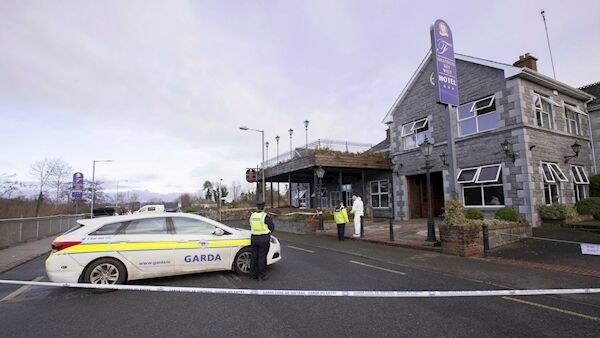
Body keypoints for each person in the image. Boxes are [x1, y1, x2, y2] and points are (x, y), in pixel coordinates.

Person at [249, 201, 275, 280]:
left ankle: (253, 275)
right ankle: (261, 275)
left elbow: (250, 224)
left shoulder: (252, 216)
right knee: (262, 257)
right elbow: (272, 227)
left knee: (254, 257)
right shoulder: (265, 216)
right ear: (264, 207)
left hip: (254, 239)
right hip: (263, 239)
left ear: (256, 207)